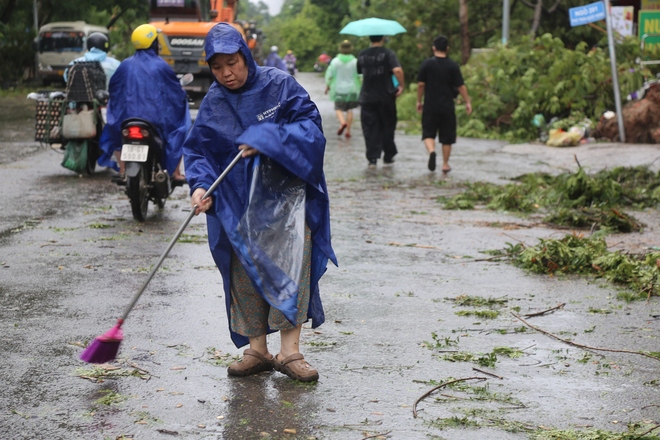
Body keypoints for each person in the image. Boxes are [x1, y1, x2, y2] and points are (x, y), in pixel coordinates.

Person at [183, 23, 337, 382]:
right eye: (217, 67)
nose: (226, 73)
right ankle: (258, 350)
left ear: (245, 57)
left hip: (286, 201)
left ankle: (289, 353)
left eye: (232, 63)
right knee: (243, 274)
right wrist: (201, 186)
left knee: (291, 270)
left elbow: (310, 129)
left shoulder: (279, 85)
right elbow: (200, 149)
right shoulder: (214, 101)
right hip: (236, 202)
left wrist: (268, 139)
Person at [98, 24, 190, 185]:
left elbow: (114, 90)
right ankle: (175, 172)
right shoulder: (161, 65)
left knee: (115, 131)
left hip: (126, 120)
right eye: (157, 40)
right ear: (153, 43)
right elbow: (175, 93)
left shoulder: (125, 65)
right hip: (155, 122)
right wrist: (182, 97)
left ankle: (122, 170)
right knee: (180, 126)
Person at [416, 35, 472, 173]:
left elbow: (421, 85)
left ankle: (431, 151)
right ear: (447, 49)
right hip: (447, 106)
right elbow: (461, 86)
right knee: (447, 137)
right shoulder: (453, 65)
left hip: (430, 105)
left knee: (428, 133)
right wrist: (467, 102)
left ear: (433, 48)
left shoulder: (427, 64)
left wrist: (419, 100)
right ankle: (445, 164)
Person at [357, 35, 404, 168]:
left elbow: (360, 71)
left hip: (367, 97)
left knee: (370, 128)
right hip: (386, 96)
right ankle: (388, 155)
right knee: (388, 125)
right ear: (382, 38)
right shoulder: (388, 53)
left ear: (370, 38)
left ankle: (372, 158)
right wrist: (401, 85)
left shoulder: (362, 54)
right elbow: (398, 70)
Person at [324, 40, 361, 138]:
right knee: (350, 110)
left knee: (338, 108)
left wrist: (327, 86)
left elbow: (329, 75)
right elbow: (360, 75)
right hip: (352, 89)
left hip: (338, 89)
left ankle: (342, 122)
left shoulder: (335, 61)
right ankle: (348, 131)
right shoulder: (355, 61)